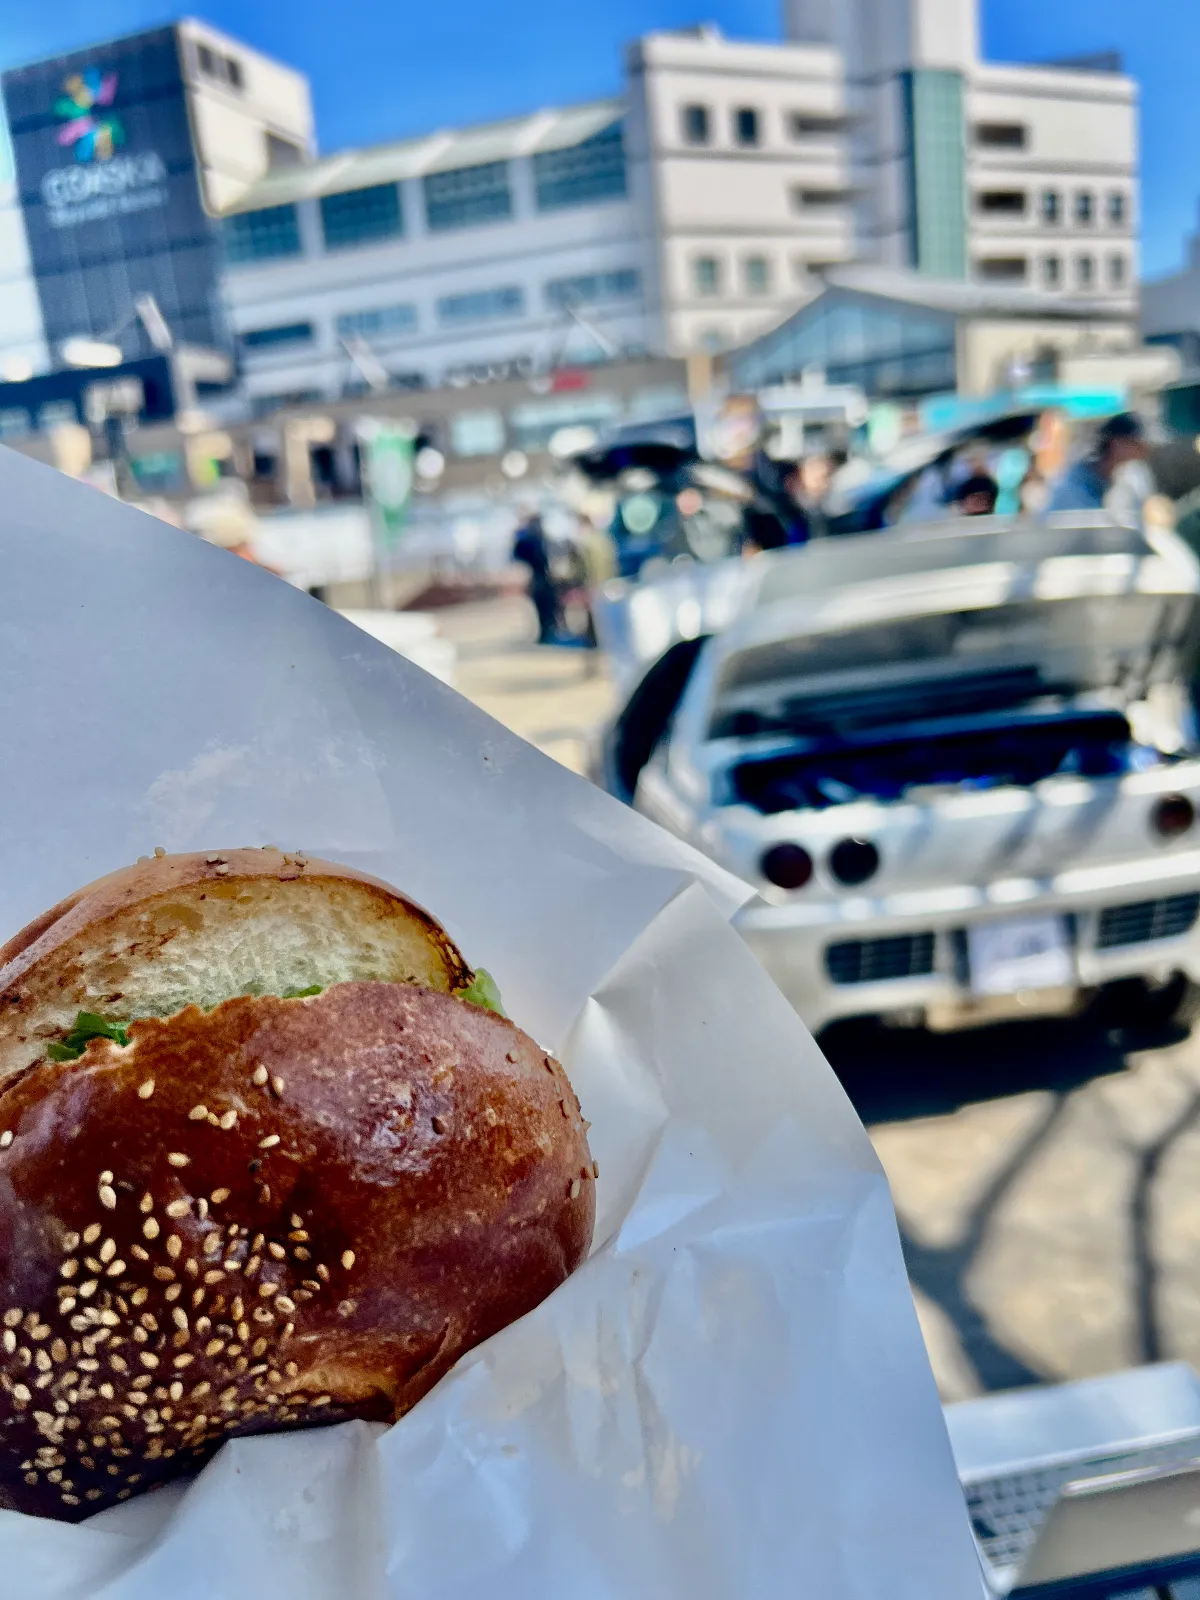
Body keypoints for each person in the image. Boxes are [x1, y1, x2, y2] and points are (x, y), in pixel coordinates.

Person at [1044, 412, 1148, 514]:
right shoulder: (1073, 485)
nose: (1143, 450)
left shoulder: (1129, 478)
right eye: (1135, 443)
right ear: (1116, 443)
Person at [512, 511, 560, 645]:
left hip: (541, 579)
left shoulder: (534, 539)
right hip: (541, 578)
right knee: (545, 608)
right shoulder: (536, 539)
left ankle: (548, 632)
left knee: (546, 608)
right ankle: (547, 632)